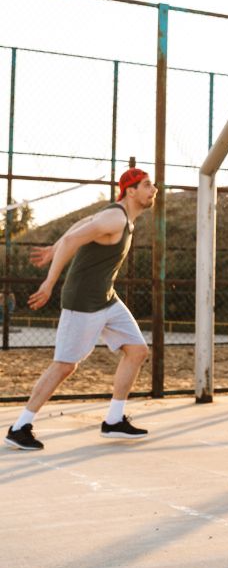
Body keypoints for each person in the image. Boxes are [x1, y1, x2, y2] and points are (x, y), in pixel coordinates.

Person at [5, 166, 158, 451]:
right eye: (147, 185)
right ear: (131, 191)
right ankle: (20, 427)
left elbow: (81, 224)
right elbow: (73, 239)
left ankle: (114, 421)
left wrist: (55, 246)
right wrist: (49, 283)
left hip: (106, 298)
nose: (154, 189)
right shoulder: (115, 217)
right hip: (84, 302)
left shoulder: (118, 216)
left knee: (137, 350)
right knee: (65, 365)